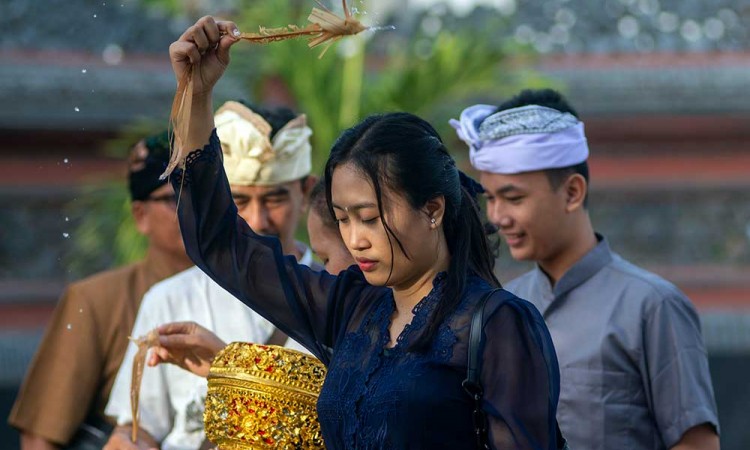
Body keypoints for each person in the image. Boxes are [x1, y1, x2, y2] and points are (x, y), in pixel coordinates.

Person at [152, 16, 563, 449]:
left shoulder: (498, 325)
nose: (355, 239)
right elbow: (220, 244)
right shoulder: (352, 309)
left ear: (433, 209)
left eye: (369, 217)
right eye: (343, 218)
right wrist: (196, 95)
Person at [451, 89, 720, 450]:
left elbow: (696, 443)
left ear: (573, 193)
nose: (497, 217)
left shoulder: (652, 306)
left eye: (513, 198)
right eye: (492, 200)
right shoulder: (502, 306)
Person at [103, 101, 320, 450]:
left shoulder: (341, 301)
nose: (259, 220)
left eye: (275, 199)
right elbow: (139, 430)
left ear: (306, 192)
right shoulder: (169, 299)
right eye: (240, 201)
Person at [8, 131, 193, 449]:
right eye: (173, 199)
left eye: (202, 194)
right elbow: (41, 434)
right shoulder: (96, 300)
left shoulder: (252, 292)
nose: (193, 209)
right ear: (140, 216)